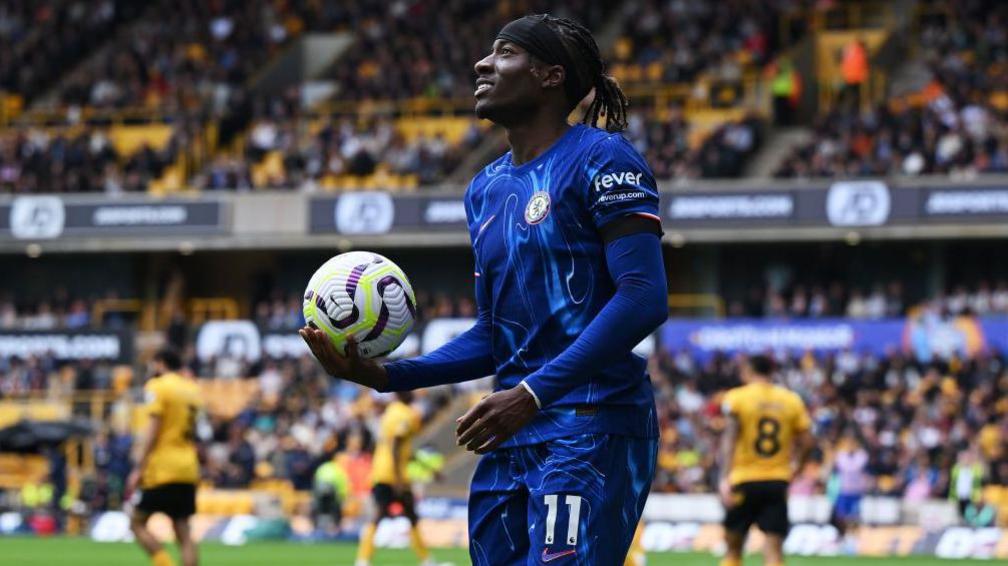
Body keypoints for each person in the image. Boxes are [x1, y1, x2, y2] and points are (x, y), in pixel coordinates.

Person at [300, 12, 667, 565]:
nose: (482, 63)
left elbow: (643, 296)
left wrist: (533, 393)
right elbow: (496, 334)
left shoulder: (602, 158)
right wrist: (386, 376)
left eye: (505, 53)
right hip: (510, 434)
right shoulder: (485, 189)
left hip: (590, 425)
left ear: (550, 76)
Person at [718, 355, 813, 566]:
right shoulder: (791, 400)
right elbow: (808, 441)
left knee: (733, 548)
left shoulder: (737, 398)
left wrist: (724, 477)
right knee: (774, 550)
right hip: (777, 480)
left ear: (748, 370)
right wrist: (796, 466)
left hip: (744, 478)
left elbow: (730, 439)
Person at [127, 347, 203, 566]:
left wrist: (138, 468)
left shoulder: (158, 386)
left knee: (136, 523)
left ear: (160, 363)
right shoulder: (192, 389)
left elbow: (153, 431)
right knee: (184, 532)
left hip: (162, 468)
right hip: (187, 467)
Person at [356, 392, 436, 566]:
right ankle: (426, 561)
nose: (414, 393)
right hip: (392, 475)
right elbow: (396, 445)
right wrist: (399, 480)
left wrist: (429, 469)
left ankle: (363, 560)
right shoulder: (404, 413)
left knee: (396, 515)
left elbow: (404, 450)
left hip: (382, 472)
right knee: (393, 516)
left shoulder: (391, 412)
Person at [830, 431, 870, 554]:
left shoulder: (861, 456)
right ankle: (844, 538)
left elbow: (853, 467)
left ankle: (853, 541)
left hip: (856, 492)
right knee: (841, 517)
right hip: (844, 491)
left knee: (854, 518)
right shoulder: (841, 455)